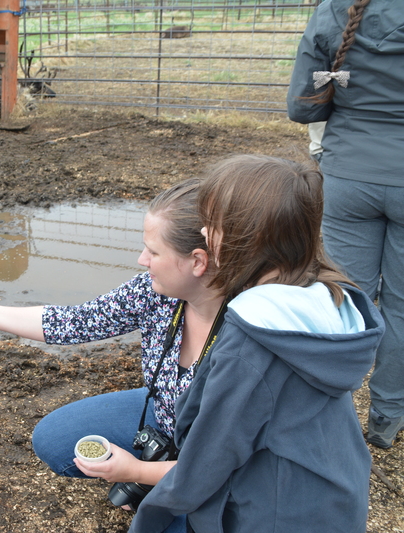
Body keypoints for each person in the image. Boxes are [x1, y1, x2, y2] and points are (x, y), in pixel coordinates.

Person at [0, 178, 224, 533]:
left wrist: (136, 471)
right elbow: (76, 321)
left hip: (220, 459)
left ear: (197, 261)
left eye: (154, 251)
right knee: (54, 439)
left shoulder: (245, 338)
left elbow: (222, 463)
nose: (141, 259)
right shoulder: (156, 292)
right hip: (166, 415)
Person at [131, 155, 385, 533]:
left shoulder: (251, 341)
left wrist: (148, 514)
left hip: (271, 513)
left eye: (212, 224)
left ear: (245, 237)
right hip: (333, 492)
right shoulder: (323, 299)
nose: (202, 230)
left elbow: (209, 460)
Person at [287, 0, 404, 448]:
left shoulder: (338, 9)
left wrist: (348, 88)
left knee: (342, 297)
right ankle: (386, 420)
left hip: (350, 178)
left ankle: (322, 415)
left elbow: (303, 106)